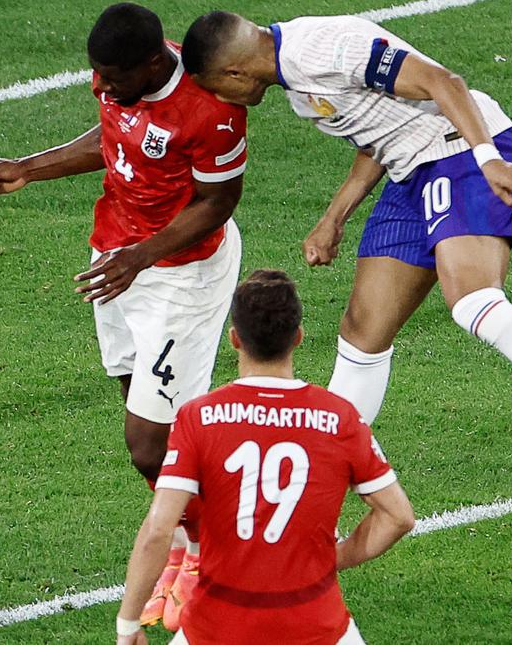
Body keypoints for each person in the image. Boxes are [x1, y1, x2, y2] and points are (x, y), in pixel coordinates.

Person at [179, 11, 512, 518]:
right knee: (362, 332)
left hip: (456, 150)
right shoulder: (296, 84)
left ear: (233, 74)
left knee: (474, 304)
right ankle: (316, 499)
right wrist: (335, 216)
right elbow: (380, 133)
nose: (224, 102)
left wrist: (487, 157)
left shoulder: (319, 49)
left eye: (217, 90)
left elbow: (439, 81)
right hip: (411, 171)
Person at [0, 2, 249, 629]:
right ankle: (179, 543)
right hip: (116, 256)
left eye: (113, 76)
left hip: (182, 274)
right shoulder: (120, 77)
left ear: (152, 63)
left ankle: (212, 556)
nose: (102, 85)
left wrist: (141, 258)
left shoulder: (211, 109)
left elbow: (218, 201)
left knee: (148, 444)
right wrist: (26, 168)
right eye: (96, 73)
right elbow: (112, 138)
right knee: (139, 407)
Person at [115, 269, 415, 644]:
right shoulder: (340, 418)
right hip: (318, 627)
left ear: (235, 339)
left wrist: (128, 625)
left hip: (216, 629)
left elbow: (159, 529)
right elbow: (398, 516)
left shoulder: (198, 418)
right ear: (299, 338)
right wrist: (334, 559)